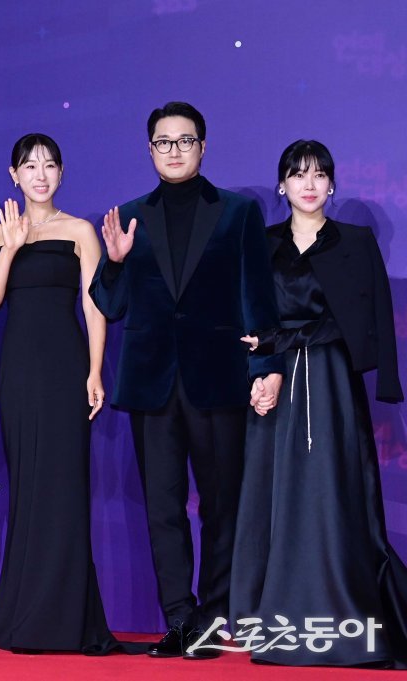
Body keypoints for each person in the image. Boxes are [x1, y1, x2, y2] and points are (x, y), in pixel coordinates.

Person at [90, 102, 282, 659]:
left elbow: (258, 297)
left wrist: (265, 365)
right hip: (151, 384)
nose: (174, 150)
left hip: (218, 378)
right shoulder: (129, 216)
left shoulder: (238, 212)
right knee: (163, 507)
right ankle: (178, 617)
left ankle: (212, 618)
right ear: (149, 149)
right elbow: (109, 305)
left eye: (184, 140)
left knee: (221, 506)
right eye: (163, 142)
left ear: (203, 146)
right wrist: (116, 262)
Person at [230, 140, 407, 668]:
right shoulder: (261, 244)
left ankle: (343, 613)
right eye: (297, 174)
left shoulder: (355, 241)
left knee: (334, 490)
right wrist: (261, 372)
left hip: (331, 380)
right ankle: (273, 619)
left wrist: (288, 342)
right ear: (281, 184)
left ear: (332, 184)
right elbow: (248, 318)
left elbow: (364, 320)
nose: (308, 184)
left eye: (319, 174)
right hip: (276, 383)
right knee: (273, 492)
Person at [0, 134, 116, 653]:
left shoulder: (80, 231)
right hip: (18, 370)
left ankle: (64, 618)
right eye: (30, 166)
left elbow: (94, 305)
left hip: (65, 368)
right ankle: (25, 612)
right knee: (28, 484)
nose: (40, 175)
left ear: (61, 173)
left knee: (64, 484)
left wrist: (95, 371)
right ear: (13, 175)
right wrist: (13, 247)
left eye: (50, 165)